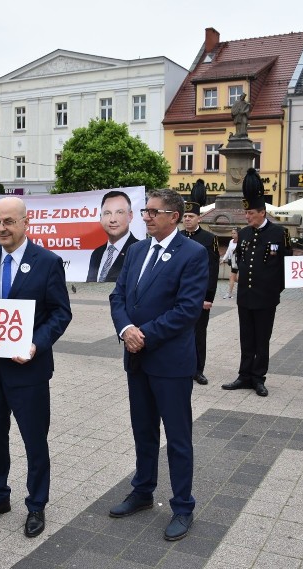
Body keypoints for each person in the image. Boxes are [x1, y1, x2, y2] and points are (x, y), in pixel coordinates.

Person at [0, 196, 72, 538]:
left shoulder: (47, 262)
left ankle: (36, 504)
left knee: (34, 440)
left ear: (26, 223)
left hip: (28, 370)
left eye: (8, 221)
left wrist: (35, 344)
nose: (1, 228)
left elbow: (60, 313)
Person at [109, 189, 207, 541]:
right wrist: (125, 329)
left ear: (174, 217)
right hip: (136, 359)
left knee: (178, 438)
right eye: (145, 210)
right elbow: (117, 295)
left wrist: (144, 334)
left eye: (153, 211)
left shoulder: (192, 254)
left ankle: (183, 506)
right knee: (143, 430)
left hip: (170, 363)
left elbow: (187, 310)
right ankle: (142, 491)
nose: (146, 216)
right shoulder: (136, 250)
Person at [222, 169, 291, 397]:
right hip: (246, 296)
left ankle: (258, 377)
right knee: (246, 338)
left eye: (250, 213)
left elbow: (286, 263)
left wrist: (275, 290)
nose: (247, 216)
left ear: (262, 212)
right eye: (246, 212)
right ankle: (244, 375)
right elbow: (240, 261)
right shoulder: (243, 234)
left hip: (266, 297)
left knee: (262, 340)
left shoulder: (279, 233)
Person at [182, 184, 219, 386]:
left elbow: (212, 270)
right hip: (179, 295)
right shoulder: (177, 238)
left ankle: (198, 370)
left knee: (198, 333)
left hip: (199, 296)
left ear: (199, 218)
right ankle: (182, 367)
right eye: (185, 216)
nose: (187, 219)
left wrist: (208, 297)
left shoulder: (209, 239)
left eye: (191, 217)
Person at [86, 190, 139, 282]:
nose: (113, 219)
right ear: (100, 218)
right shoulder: (96, 253)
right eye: (107, 213)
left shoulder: (140, 251)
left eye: (119, 212)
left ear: (130, 216)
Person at [220, 228, 239, 299]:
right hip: (233, 262)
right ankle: (230, 293)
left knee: (232, 277)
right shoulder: (231, 241)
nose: (232, 234)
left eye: (234, 233)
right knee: (233, 277)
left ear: (238, 234)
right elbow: (228, 251)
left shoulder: (240, 242)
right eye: (232, 233)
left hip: (240, 262)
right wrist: (223, 259)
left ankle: (230, 293)